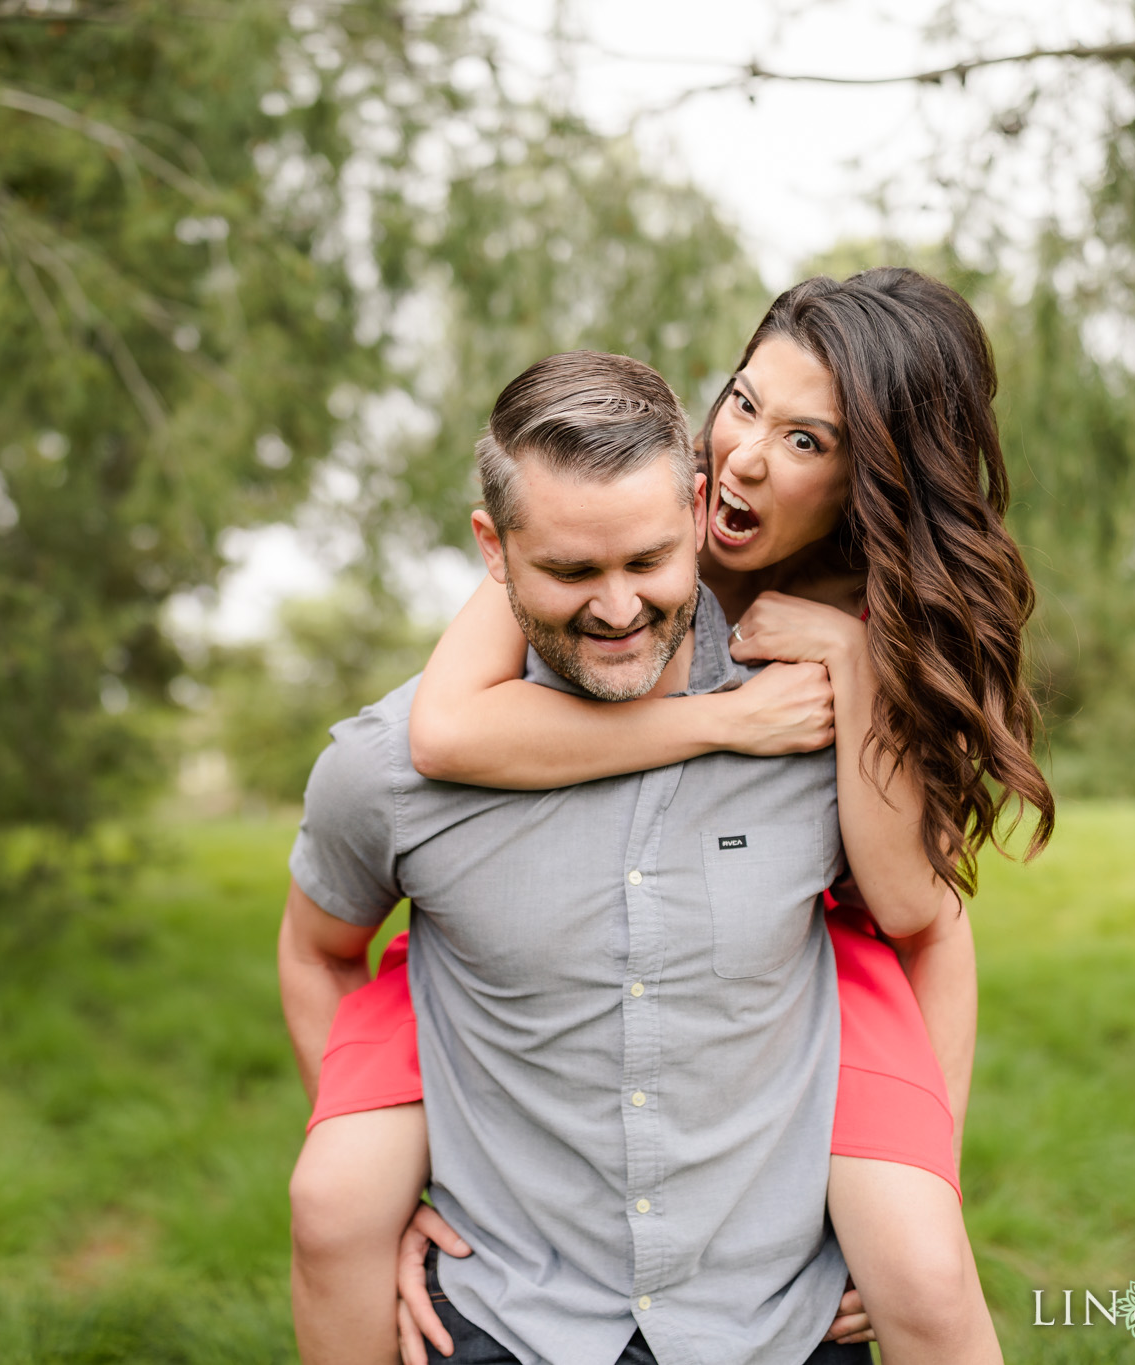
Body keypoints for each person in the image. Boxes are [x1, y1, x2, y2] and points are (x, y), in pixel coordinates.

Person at [284, 271, 1054, 1364]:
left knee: (924, 1272)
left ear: (871, 478)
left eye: (804, 442)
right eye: (742, 403)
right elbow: (444, 739)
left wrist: (848, 658)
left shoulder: (870, 620)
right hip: (502, 946)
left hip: (805, 958)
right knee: (334, 1203)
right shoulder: (603, 521)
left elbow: (909, 912)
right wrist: (722, 724)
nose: (741, 457)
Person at [288, 346, 860, 1365]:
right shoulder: (383, 772)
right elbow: (317, 951)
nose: (613, 609)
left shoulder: (811, 720)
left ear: (696, 512)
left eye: (644, 562)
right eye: (567, 571)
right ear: (492, 549)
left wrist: (897, 1209)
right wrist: (377, 1191)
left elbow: (913, 944)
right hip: (504, 1314)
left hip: (782, 1320)